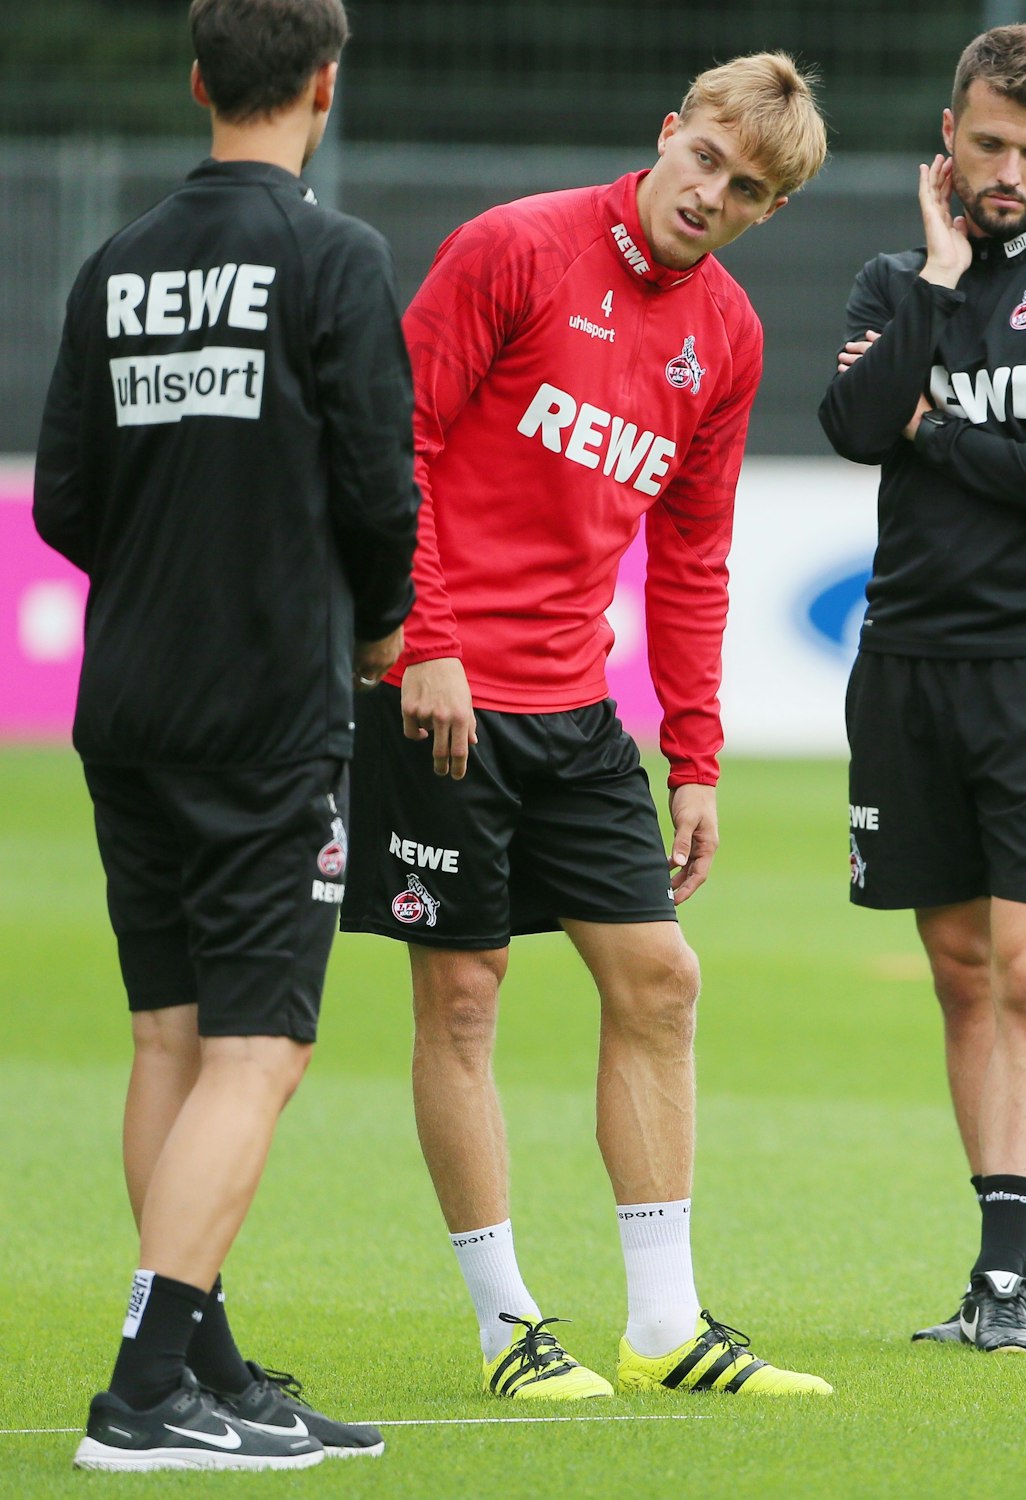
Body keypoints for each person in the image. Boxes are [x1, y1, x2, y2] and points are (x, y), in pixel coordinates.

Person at [339, 54, 831, 1401]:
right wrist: (420, 639)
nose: (713, 196)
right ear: (668, 134)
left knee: (662, 980)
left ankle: (665, 1330)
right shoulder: (512, 248)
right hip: (440, 693)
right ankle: (508, 1331)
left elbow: (692, 551)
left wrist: (696, 758)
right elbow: (403, 450)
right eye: (707, 162)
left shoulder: (725, 336)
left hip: (574, 709)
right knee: (463, 996)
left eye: (747, 191)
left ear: (767, 211)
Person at [34, 0, 417, 1470]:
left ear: (200, 82)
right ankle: (141, 1395)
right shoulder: (335, 257)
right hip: (266, 703)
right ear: (324, 86)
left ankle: (204, 1365)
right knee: (259, 1053)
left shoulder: (117, 261)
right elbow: (381, 488)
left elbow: (66, 500)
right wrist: (379, 622)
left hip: (128, 696)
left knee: (170, 1039)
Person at [818, 24, 1026, 1355]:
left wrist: (938, 429)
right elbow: (852, 428)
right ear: (949, 133)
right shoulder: (896, 277)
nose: (1009, 169)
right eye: (990, 143)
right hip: (907, 661)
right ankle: (995, 1269)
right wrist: (942, 283)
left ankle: (1015, 1272)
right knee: (960, 969)